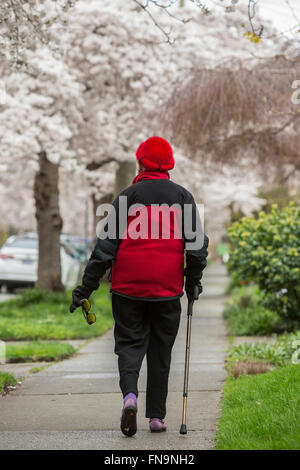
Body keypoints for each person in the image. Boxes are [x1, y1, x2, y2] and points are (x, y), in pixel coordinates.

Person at [70, 136, 209, 437]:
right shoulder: (183, 197)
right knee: (161, 350)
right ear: (170, 163)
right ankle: (156, 417)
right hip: (166, 288)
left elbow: (104, 249)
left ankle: (130, 397)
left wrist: (85, 289)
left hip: (127, 287)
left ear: (141, 161)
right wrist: (193, 282)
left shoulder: (127, 196)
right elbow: (197, 248)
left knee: (130, 345)